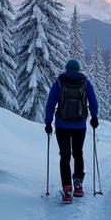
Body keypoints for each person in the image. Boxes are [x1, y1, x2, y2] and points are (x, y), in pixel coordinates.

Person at [45, 58, 99, 204]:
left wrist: (48, 123)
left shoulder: (59, 82)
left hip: (62, 125)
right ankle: (78, 186)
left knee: (65, 156)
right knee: (77, 153)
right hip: (80, 125)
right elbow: (93, 101)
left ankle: (67, 189)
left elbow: (50, 103)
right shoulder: (85, 82)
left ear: (66, 68)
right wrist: (94, 117)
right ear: (78, 69)